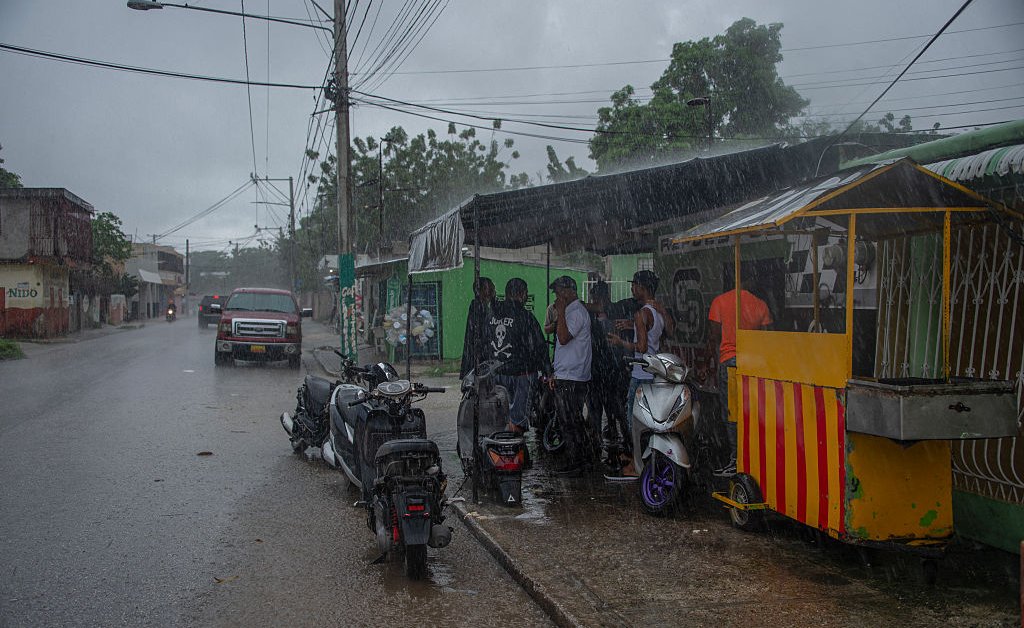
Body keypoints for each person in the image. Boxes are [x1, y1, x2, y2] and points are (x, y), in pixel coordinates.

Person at [707, 277, 772, 476]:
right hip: (753, 364)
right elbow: (766, 339)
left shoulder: (720, 301)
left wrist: (714, 362)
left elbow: (714, 337)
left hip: (729, 362)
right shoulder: (761, 305)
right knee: (752, 412)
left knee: (731, 413)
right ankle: (755, 457)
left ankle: (737, 459)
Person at [607, 270, 665, 478]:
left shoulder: (641, 313)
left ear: (642, 288)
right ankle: (644, 460)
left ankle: (636, 465)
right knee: (650, 421)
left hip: (641, 374)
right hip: (654, 373)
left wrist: (620, 342)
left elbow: (641, 347)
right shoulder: (657, 311)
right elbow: (656, 335)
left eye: (634, 286)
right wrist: (633, 326)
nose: (632, 289)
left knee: (634, 422)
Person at [490, 278, 550, 433]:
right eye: (526, 293)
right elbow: (539, 346)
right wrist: (547, 371)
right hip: (522, 374)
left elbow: (483, 343)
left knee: (499, 418)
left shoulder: (491, 315)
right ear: (522, 294)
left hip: (497, 373)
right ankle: (515, 443)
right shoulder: (525, 316)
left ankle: (501, 442)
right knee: (518, 420)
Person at [548, 275, 593, 475]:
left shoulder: (575, 312)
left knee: (570, 422)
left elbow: (563, 338)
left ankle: (577, 462)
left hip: (572, 378)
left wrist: (560, 312)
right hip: (567, 375)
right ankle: (581, 460)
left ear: (569, 291)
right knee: (571, 420)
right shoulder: (571, 311)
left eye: (558, 292)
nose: (556, 297)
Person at [584, 281, 628, 463]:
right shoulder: (590, 316)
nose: (594, 300)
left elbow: (603, 308)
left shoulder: (615, 310)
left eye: (595, 296)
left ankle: (619, 441)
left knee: (614, 409)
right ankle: (599, 442)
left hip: (611, 369)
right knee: (598, 409)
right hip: (598, 370)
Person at [460, 277, 496, 379]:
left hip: (479, 354)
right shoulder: (478, 306)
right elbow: (483, 332)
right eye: (490, 288)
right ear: (481, 291)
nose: (493, 290)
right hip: (479, 355)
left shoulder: (483, 306)